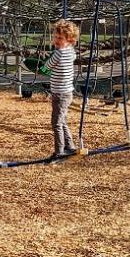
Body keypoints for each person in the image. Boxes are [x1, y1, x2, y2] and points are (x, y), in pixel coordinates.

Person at [45, 19, 79, 156]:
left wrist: (38, 68)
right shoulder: (71, 52)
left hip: (59, 94)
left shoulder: (58, 54)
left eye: (60, 38)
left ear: (70, 40)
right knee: (62, 120)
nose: (56, 40)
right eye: (55, 37)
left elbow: (46, 67)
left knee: (56, 123)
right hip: (67, 93)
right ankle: (69, 146)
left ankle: (59, 152)